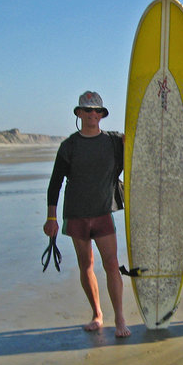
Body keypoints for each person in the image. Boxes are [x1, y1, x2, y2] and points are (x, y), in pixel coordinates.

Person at [44, 91, 131, 337]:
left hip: (103, 213)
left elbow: (137, 155)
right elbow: (55, 183)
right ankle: (97, 314)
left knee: (112, 264)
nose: (93, 115)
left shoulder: (115, 141)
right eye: (88, 110)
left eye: (97, 111)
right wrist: (51, 218)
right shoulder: (69, 146)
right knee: (86, 265)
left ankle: (120, 319)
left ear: (102, 115)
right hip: (77, 214)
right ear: (79, 113)